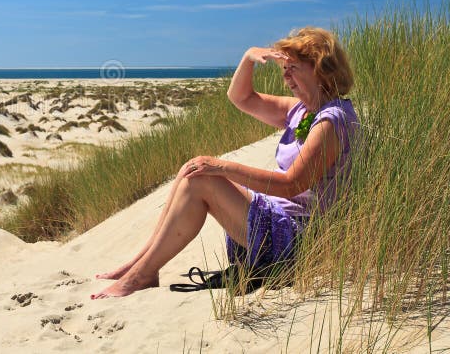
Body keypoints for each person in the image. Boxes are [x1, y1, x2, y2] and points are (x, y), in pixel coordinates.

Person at [92, 27, 359, 299]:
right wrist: (248, 58)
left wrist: (221, 167)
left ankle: (141, 274)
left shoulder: (332, 120)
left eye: (293, 67)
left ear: (319, 69)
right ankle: (141, 262)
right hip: (281, 219)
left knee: (202, 178)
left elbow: (292, 184)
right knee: (192, 170)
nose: (285, 75)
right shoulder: (301, 110)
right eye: (284, 68)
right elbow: (241, 98)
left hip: (300, 238)